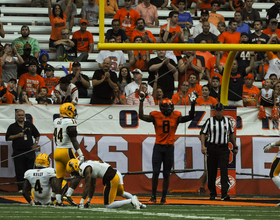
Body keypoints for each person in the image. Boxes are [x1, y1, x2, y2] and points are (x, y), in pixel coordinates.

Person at [139, 94, 197, 204]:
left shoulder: (176, 116)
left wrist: (193, 104)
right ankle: (153, 197)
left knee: (166, 173)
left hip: (169, 147)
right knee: (155, 172)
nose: (169, 110)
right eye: (167, 108)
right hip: (159, 146)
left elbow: (190, 117)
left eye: (170, 107)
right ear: (161, 108)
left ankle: (164, 198)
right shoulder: (155, 115)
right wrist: (141, 101)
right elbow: (141, 116)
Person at [66, 159, 145, 209]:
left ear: (76, 166)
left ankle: (131, 201)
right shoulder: (88, 165)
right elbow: (92, 186)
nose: (75, 175)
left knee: (109, 205)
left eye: (73, 173)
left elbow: (87, 185)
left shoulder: (85, 169)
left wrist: (81, 203)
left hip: (111, 177)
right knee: (121, 193)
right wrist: (88, 201)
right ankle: (140, 204)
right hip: (116, 173)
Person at [200, 102, 238, 201]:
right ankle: (212, 193)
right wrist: (203, 145)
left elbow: (231, 134)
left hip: (223, 148)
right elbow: (203, 133)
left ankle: (224, 194)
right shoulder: (210, 121)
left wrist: (235, 146)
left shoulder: (227, 121)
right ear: (214, 111)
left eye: (220, 110)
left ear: (223, 111)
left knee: (224, 171)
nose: (218, 112)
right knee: (211, 171)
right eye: (217, 110)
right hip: (212, 148)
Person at [53, 103, 85, 206]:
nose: (75, 113)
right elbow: (74, 140)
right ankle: (68, 194)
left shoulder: (56, 120)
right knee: (79, 173)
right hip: (67, 150)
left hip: (57, 150)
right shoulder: (71, 122)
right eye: (73, 110)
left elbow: (55, 136)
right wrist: (81, 154)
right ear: (69, 111)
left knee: (59, 177)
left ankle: (57, 200)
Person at [6, 109, 40, 193]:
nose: (21, 117)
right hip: (18, 152)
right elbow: (7, 138)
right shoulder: (12, 126)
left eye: (22, 115)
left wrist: (36, 143)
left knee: (31, 171)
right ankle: (21, 188)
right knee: (19, 171)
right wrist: (18, 135)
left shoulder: (29, 125)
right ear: (16, 116)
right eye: (19, 115)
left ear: (25, 116)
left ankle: (30, 188)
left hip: (29, 152)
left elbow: (37, 135)